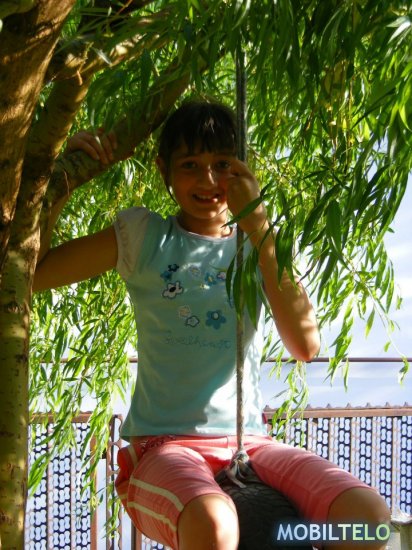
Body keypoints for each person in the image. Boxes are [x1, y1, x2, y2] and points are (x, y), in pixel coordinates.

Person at [34, 100, 390, 550]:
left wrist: (260, 228)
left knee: (368, 519)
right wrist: (60, 180)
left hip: (251, 444)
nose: (207, 180)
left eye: (222, 164)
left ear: (244, 168)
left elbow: (305, 345)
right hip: (163, 448)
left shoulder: (260, 246)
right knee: (214, 523)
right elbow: (32, 274)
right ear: (163, 170)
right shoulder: (143, 237)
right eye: (190, 165)